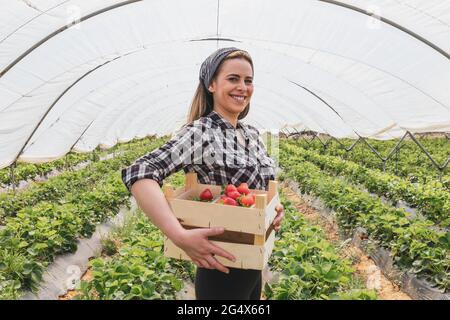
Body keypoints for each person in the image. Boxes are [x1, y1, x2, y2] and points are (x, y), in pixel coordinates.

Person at [121, 47, 284, 300]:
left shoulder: (251, 134)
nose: (243, 87)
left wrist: (275, 208)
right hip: (220, 268)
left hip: (254, 265)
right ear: (211, 85)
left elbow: (263, 184)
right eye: (233, 79)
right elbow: (140, 172)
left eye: (248, 80)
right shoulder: (202, 132)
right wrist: (178, 235)